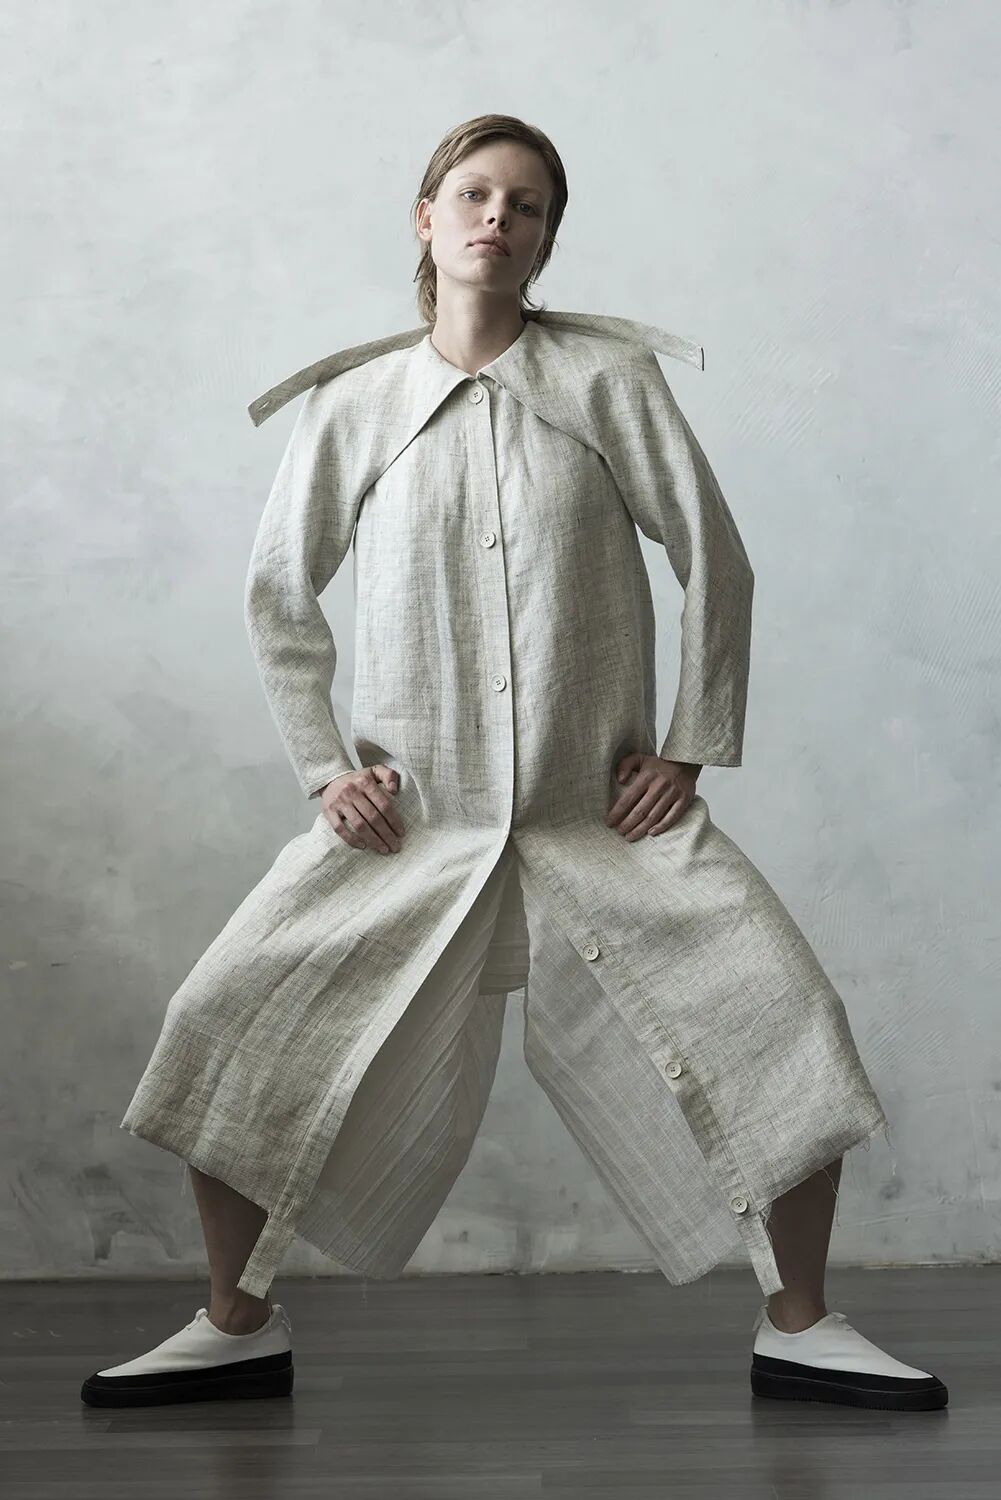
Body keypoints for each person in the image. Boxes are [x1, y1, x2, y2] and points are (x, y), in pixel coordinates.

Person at [82, 114, 946, 1411]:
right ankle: (235, 1321)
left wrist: (690, 747)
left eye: (527, 204)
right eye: (475, 194)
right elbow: (278, 595)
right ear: (424, 218)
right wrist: (326, 770)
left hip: (596, 813)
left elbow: (715, 560)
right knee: (232, 1025)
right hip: (412, 821)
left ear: (546, 238)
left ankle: (801, 1323)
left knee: (778, 1024)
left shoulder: (612, 384)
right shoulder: (352, 408)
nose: (499, 217)